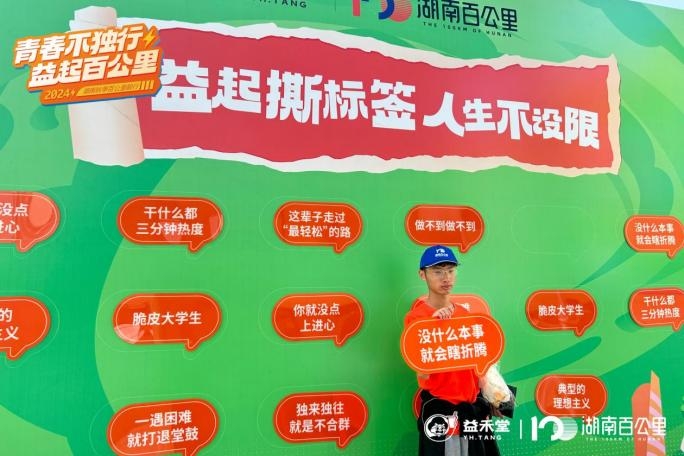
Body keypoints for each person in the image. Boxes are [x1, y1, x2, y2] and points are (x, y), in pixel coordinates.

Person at [404, 245, 501, 456]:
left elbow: (479, 367)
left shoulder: (466, 315)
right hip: (443, 415)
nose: (446, 277)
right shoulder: (417, 319)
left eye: (450, 270)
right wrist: (434, 327)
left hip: (472, 412)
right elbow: (423, 373)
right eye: (438, 271)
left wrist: (494, 397)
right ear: (422, 274)